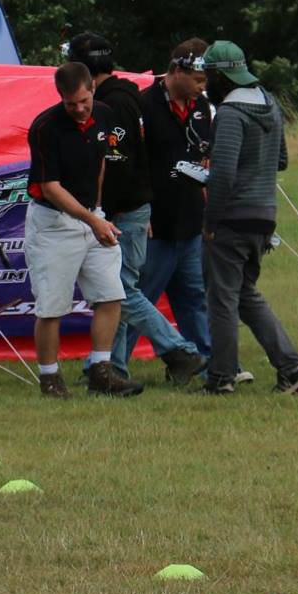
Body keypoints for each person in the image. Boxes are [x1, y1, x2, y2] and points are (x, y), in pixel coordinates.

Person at [65, 31, 204, 386]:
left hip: (122, 211)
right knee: (115, 292)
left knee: (119, 291)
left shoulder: (113, 105)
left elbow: (115, 163)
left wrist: (103, 212)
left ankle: (179, 350)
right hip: (133, 208)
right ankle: (112, 369)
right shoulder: (129, 98)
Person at [197, 40, 298, 395]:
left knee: (220, 299)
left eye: (208, 77)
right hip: (265, 215)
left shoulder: (232, 114)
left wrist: (210, 223)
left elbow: (223, 176)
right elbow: (280, 160)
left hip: (232, 217)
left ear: (220, 76)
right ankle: (292, 368)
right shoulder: (270, 103)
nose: (205, 85)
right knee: (244, 293)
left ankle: (220, 379)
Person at [23, 61, 142, 398]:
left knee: (111, 295)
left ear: (92, 89)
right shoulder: (45, 127)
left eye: (83, 101)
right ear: (60, 97)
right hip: (53, 224)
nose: (77, 109)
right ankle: (50, 378)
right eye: (69, 103)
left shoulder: (104, 114)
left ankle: (101, 371)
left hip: (93, 216)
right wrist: (93, 220)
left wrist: (98, 209)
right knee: (52, 306)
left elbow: (101, 162)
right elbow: (50, 188)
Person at [129, 40, 216, 364]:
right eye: (198, 79)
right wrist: (140, 209)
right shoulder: (143, 105)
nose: (202, 86)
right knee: (139, 300)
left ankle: (203, 363)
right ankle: (111, 364)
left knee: (194, 299)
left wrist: (208, 214)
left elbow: (203, 161)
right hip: (155, 224)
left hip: (191, 221)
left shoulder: (202, 107)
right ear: (177, 71)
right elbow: (133, 163)